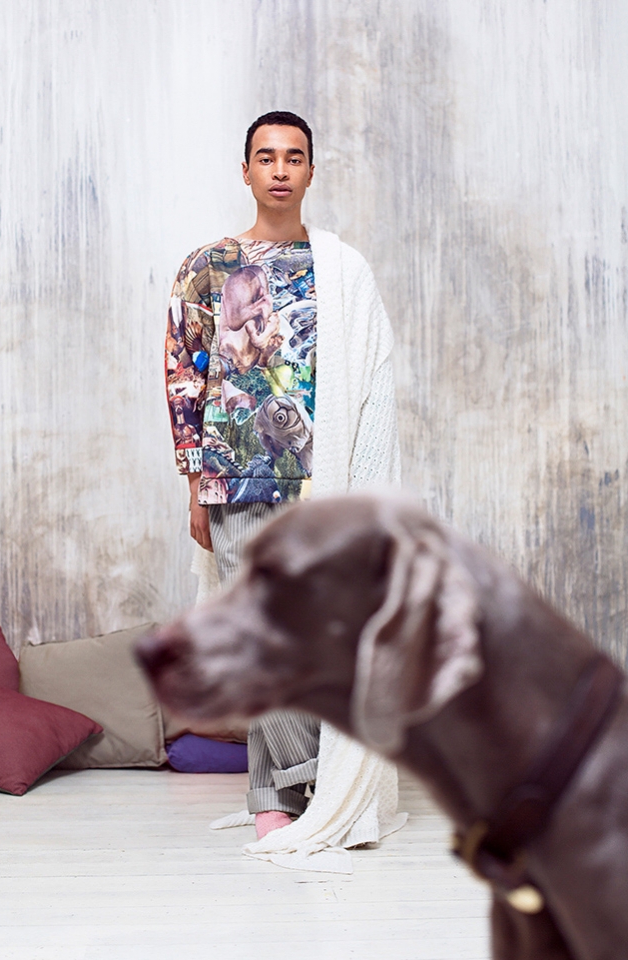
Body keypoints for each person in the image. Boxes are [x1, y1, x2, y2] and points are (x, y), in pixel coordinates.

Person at [165, 111, 401, 850]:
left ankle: (281, 792)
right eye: (265, 157)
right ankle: (305, 781)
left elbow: (373, 376)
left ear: (309, 172)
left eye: (292, 157)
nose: (278, 169)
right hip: (234, 475)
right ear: (245, 171)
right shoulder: (206, 266)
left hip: (318, 479)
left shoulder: (340, 269)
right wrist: (195, 483)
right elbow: (184, 378)